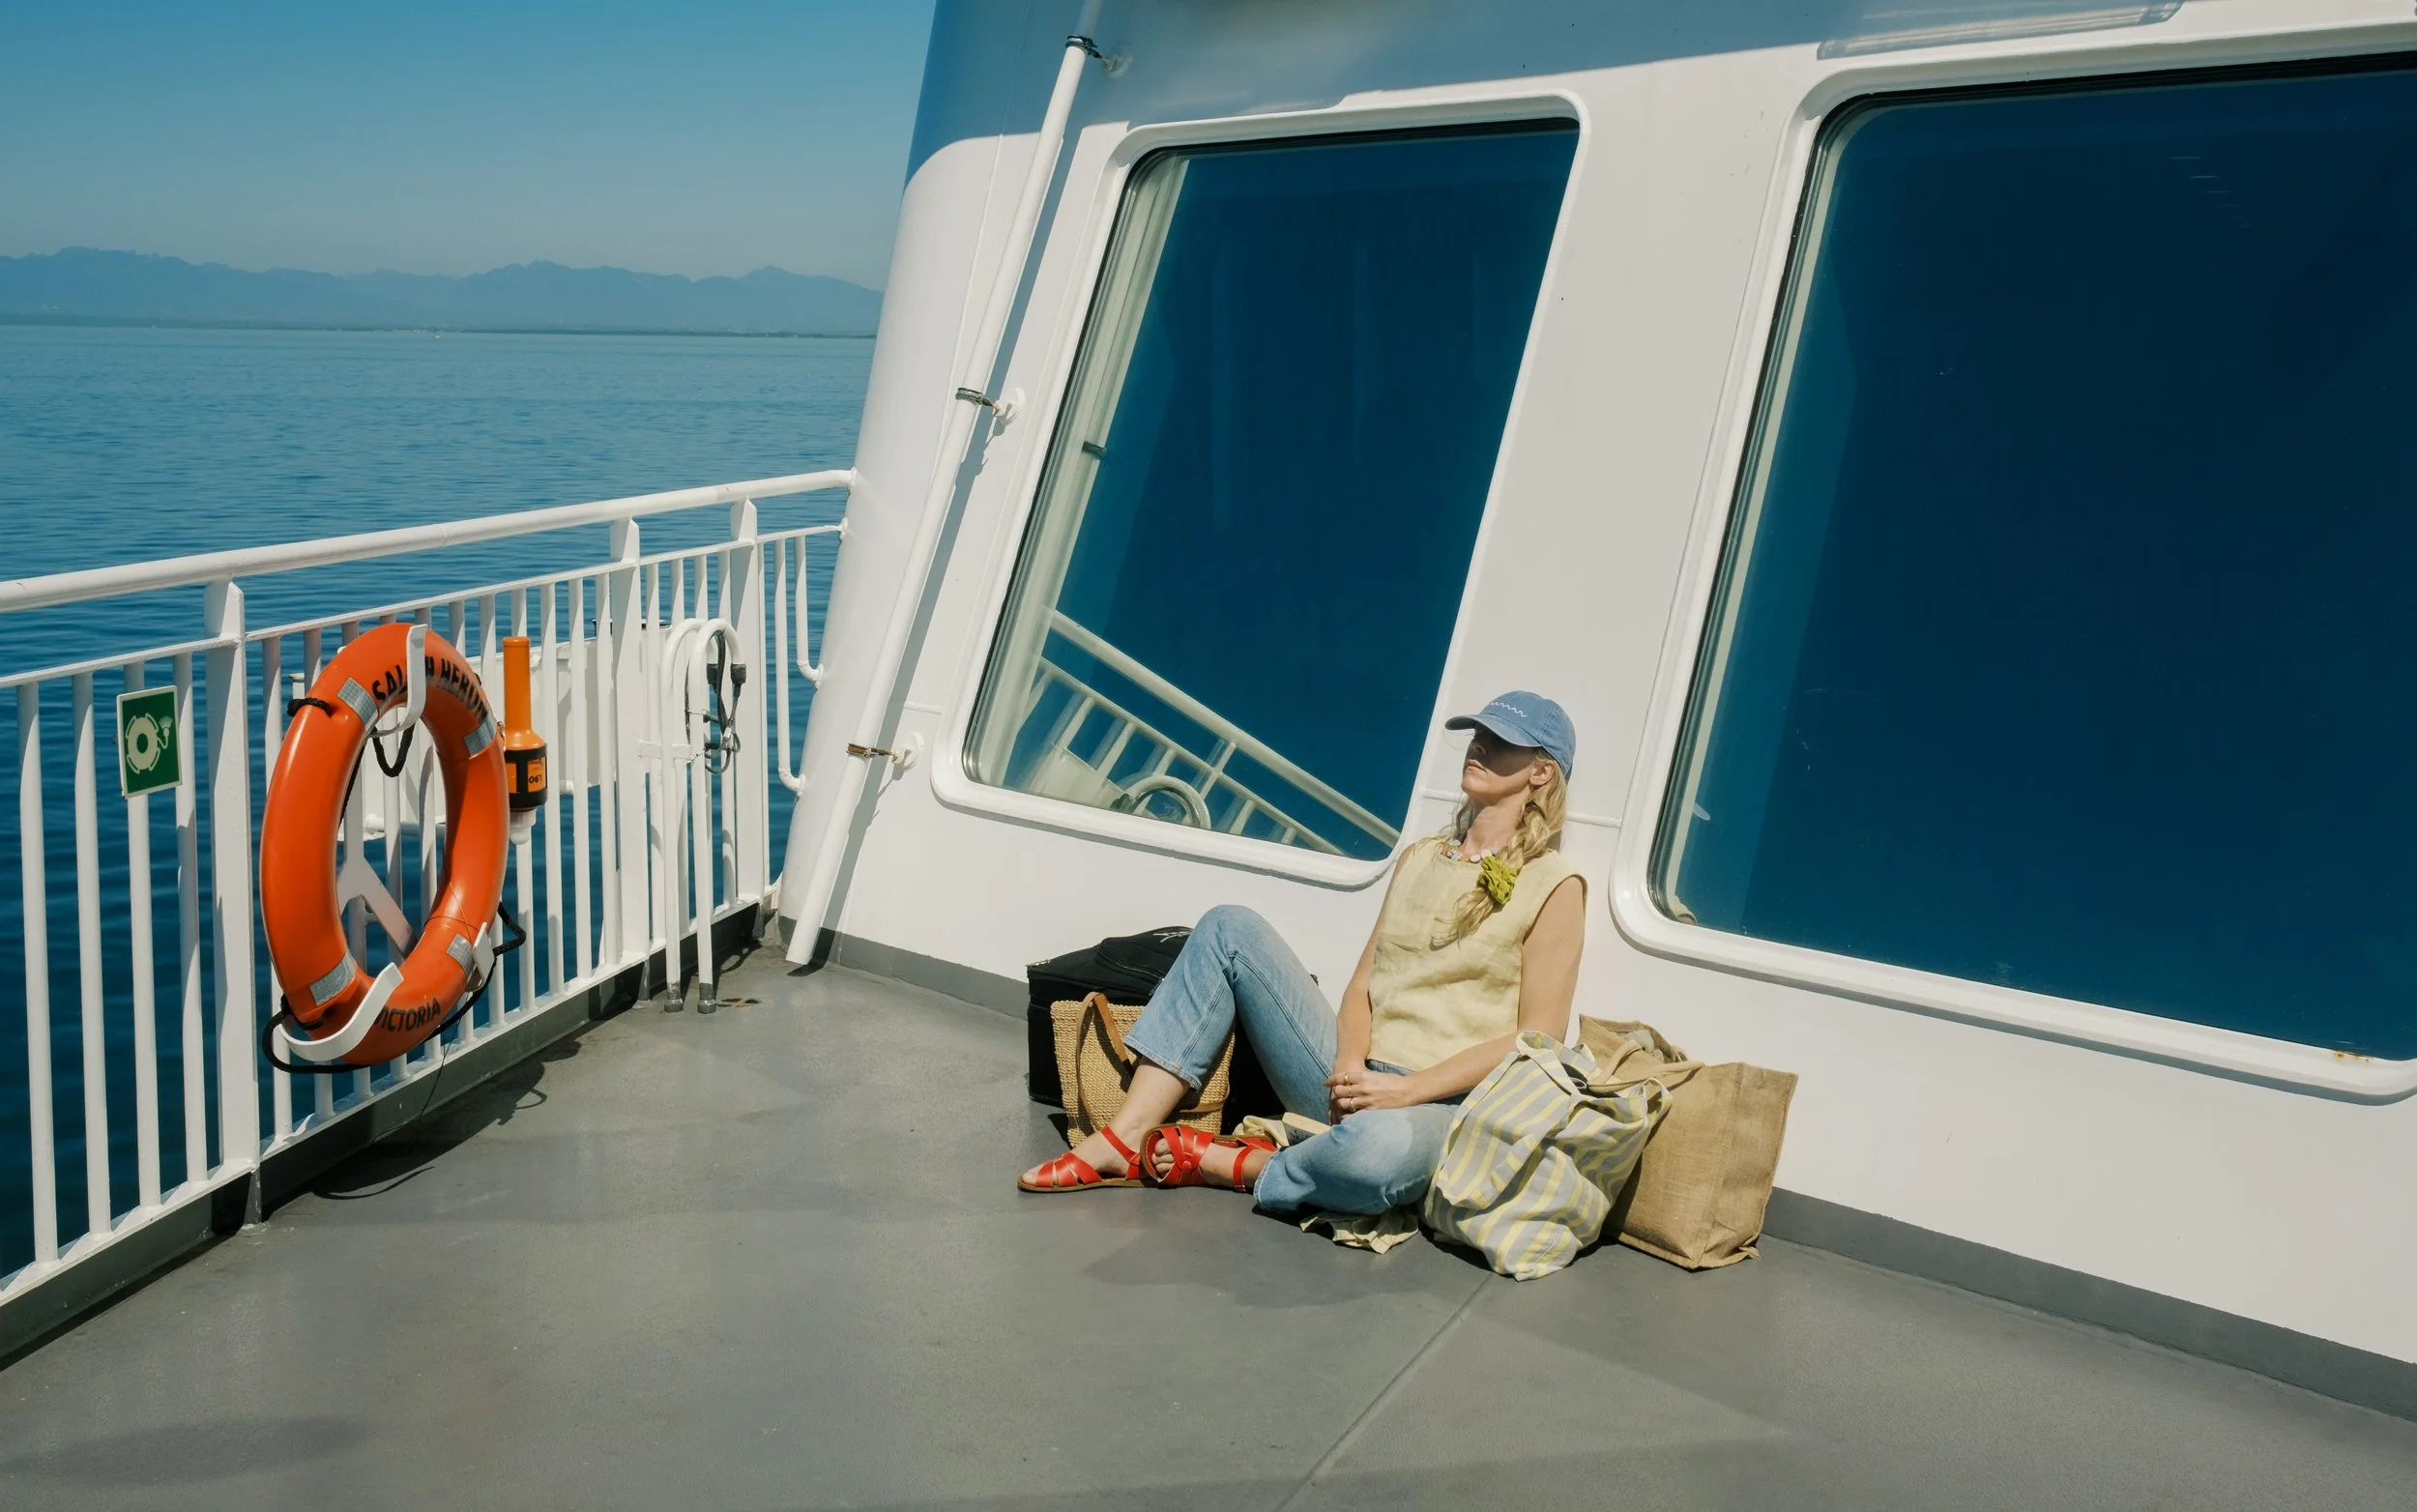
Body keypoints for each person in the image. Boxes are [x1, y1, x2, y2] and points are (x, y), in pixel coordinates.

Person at [1019, 691, 1587, 1213]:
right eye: (1478, 733)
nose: (1480, 746)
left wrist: (1406, 1090)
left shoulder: (1554, 884)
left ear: (1541, 771)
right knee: (1228, 927)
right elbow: (1365, 984)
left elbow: (1536, 1039)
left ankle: (1236, 1163)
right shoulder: (1419, 858)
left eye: (1503, 741)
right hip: (1354, 1082)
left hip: (1438, 1106)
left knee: (1374, 1157)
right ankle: (1124, 1136)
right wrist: (1346, 1072)